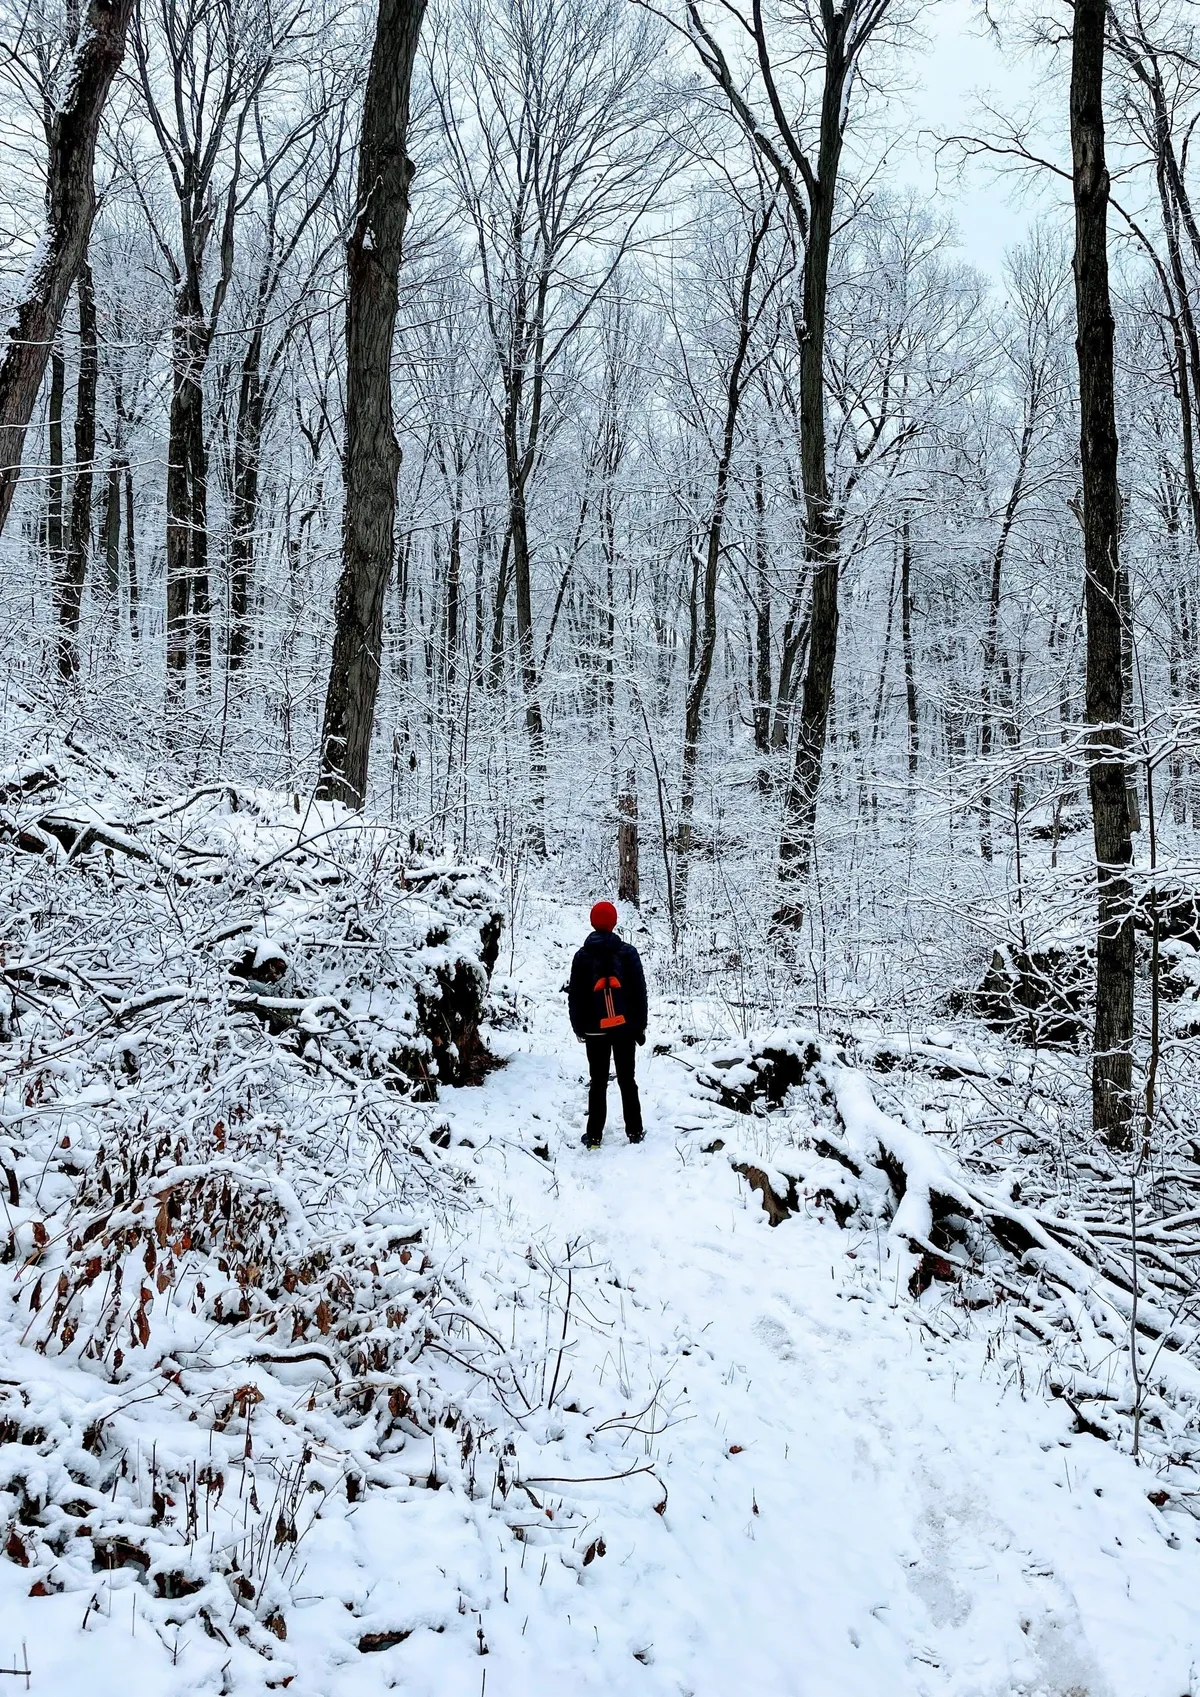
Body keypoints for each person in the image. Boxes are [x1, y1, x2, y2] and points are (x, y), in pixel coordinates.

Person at [568, 901, 648, 1148]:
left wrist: (579, 1027)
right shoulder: (628, 953)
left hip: (594, 1029)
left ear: (593, 922)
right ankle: (634, 1132)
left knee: (598, 1081)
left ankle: (594, 1136)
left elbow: (576, 995)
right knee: (627, 1079)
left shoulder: (582, 956)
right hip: (624, 1028)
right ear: (614, 923)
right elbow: (639, 993)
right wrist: (639, 1026)